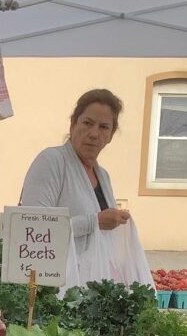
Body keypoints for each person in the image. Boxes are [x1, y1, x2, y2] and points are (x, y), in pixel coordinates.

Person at [19, 89, 132, 258]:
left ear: (111, 135)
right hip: (54, 282)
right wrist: (94, 221)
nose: (94, 134)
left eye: (103, 127)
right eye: (87, 123)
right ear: (73, 124)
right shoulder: (51, 161)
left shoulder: (103, 176)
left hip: (92, 281)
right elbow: (31, 229)